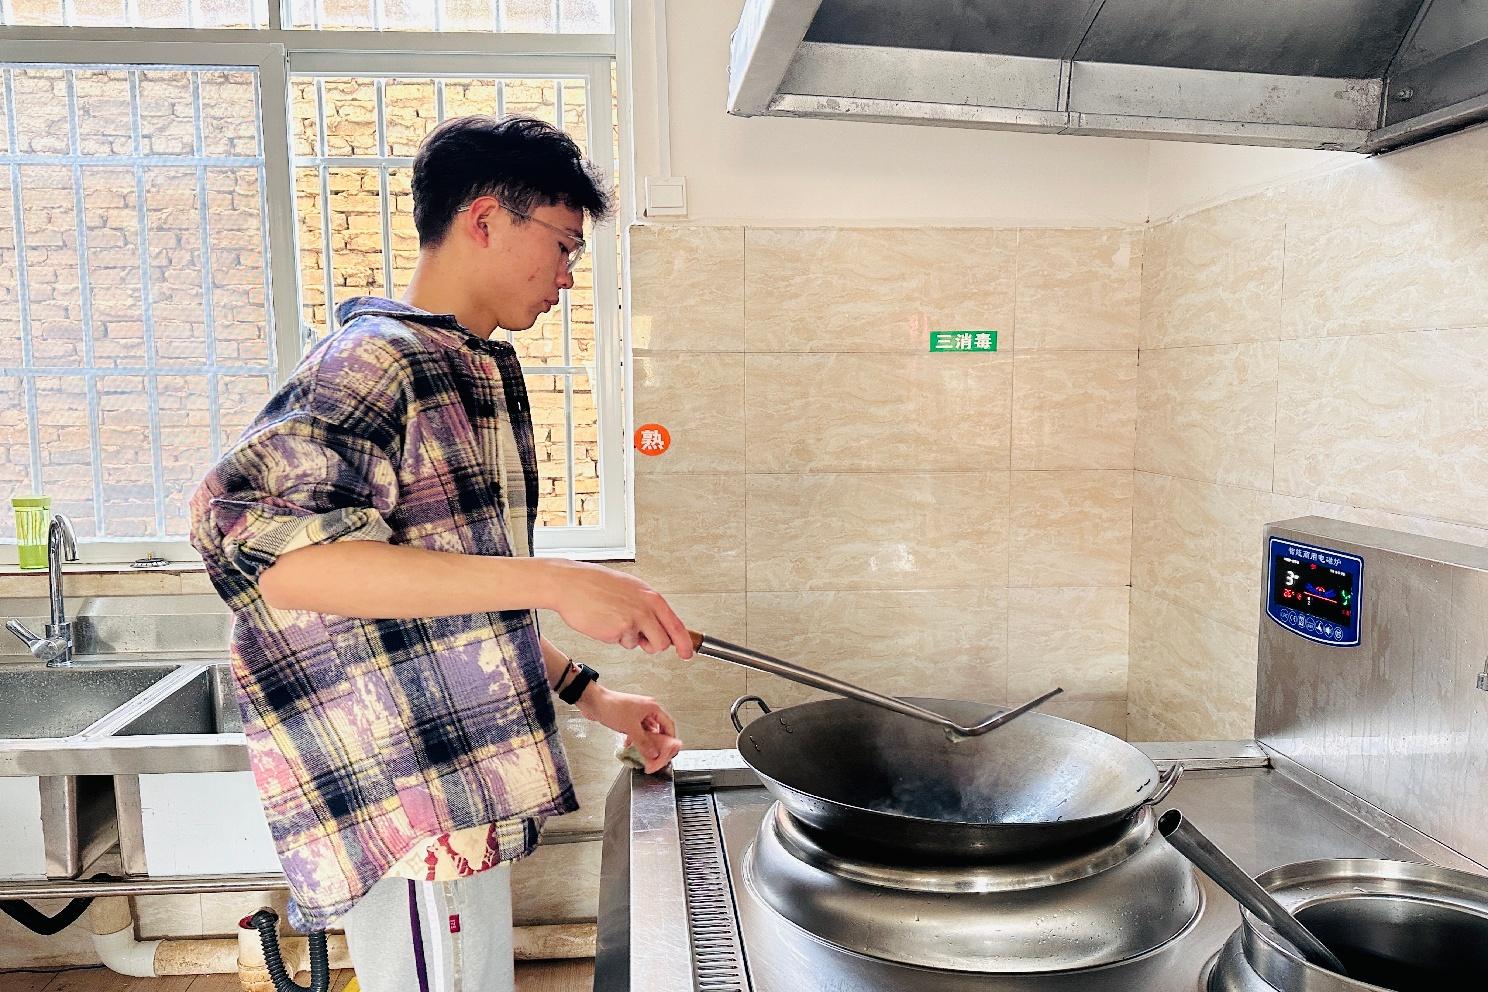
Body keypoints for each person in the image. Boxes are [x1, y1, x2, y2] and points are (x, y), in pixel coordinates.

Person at [189, 115, 690, 992]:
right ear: (486, 219)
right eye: (564, 245)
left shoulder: (460, 367)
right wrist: (556, 580)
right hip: (415, 792)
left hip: (451, 783)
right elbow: (267, 551)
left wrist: (594, 694)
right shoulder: (376, 362)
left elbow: (452, 604)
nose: (569, 276)